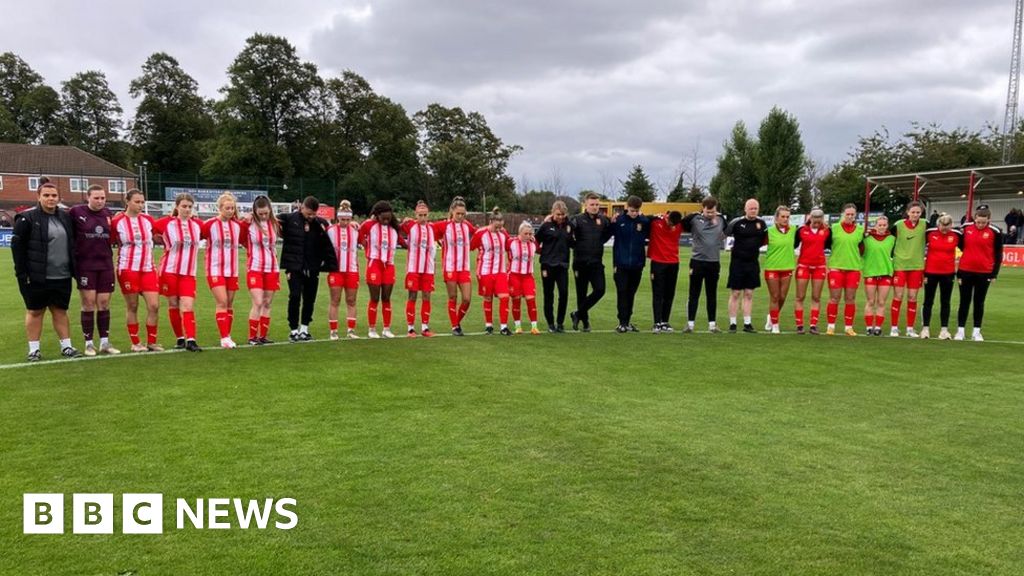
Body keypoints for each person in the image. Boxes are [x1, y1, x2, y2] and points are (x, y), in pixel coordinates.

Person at [12, 179, 80, 361]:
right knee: (35, 311)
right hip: (36, 276)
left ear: (59, 198)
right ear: (38, 197)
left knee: (60, 311)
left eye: (54, 195)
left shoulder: (65, 217)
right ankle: (34, 350)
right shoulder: (26, 218)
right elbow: (17, 249)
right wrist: (22, 274)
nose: (51, 198)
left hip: (62, 275)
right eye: (46, 195)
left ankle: (66, 346)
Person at [278, 196, 336, 342]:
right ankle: (293, 330)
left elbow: (329, 240)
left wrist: (328, 265)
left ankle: (304, 329)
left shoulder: (320, 224)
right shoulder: (288, 219)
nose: (311, 216)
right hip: (294, 266)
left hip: (312, 267)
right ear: (302, 208)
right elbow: (269, 218)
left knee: (310, 299)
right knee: (295, 296)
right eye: (309, 213)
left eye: (313, 214)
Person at [70, 184, 118, 355]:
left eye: (102, 198)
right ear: (88, 197)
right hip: (85, 266)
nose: (100, 201)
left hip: (105, 265)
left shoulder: (108, 214)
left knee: (104, 304)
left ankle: (105, 343)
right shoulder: (76, 212)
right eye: (96, 198)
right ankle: (89, 343)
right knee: (88, 303)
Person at [111, 189, 162, 352]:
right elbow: (109, 241)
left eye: (142, 202)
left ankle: (152, 342)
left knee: (154, 306)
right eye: (137, 202)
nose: (140, 205)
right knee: (132, 306)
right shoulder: (117, 222)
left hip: (148, 269)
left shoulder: (148, 220)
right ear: (127, 201)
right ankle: (135, 342)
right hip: (128, 269)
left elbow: (158, 234)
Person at [153, 193, 203, 352]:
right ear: (177, 207)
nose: (187, 209)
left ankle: (191, 340)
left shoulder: (198, 225)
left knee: (187, 305)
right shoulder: (166, 223)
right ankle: (180, 338)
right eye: (184, 206)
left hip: (189, 272)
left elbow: (216, 225)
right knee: (173, 304)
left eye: (190, 207)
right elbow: (148, 228)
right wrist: (158, 239)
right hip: (170, 270)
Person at [955, 206, 1003, 341]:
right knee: (964, 301)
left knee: (979, 302)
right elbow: (960, 246)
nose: (981, 224)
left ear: (989, 220)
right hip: (965, 271)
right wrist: (959, 273)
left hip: (984, 272)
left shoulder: (995, 232)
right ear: (974, 219)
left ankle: (976, 331)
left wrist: (994, 274)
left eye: (984, 222)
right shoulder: (966, 228)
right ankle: (960, 331)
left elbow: (998, 254)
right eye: (978, 222)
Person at [201, 192, 243, 349]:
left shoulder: (237, 226)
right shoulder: (210, 224)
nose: (230, 211)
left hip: (232, 270)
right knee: (222, 302)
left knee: (229, 304)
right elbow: (196, 236)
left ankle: (227, 335)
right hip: (215, 269)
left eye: (232, 208)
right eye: (227, 208)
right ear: (219, 208)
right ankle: (224, 337)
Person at [569, 192, 613, 332]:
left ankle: (577, 314)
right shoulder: (577, 219)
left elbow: (607, 234)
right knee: (581, 294)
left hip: (596, 262)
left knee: (600, 290)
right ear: (585, 205)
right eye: (592, 204)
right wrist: (577, 246)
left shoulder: (603, 220)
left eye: (597, 204)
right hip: (580, 263)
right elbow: (568, 235)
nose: (595, 207)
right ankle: (585, 323)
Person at [432, 196, 476, 336]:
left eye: (463, 214)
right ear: (452, 211)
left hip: (464, 268)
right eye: (458, 214)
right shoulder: (443, 226)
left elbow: (479, 233)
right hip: (450, 267)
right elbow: (426, 228)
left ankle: (456, 322)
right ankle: (455, 327)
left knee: (467, 299)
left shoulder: (467, 226)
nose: (460, 216)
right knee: (453, 297)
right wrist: (410, 222)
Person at [682, 197, 727, 333]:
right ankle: (690, 324)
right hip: (697, 262)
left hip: (713, 262)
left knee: (711, 294)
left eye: (713, 212)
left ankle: (712, 325)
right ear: (703, 209)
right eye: (708, 212)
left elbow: (727, 231)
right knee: (694, 293)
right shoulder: (695, 219)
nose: (710, 214)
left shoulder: (721, 220)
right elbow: (682, 223)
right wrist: (695, 214)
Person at [359, 200, 401, 338]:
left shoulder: (394, 228)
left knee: (386, 298)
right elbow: (359, 235)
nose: (386, 221)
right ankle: (372, 329)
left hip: (389, 265)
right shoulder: (369, 225)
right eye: (383, 218)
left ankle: (386, 329)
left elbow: (403, 241)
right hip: (375, 264)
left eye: (388, 218)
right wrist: (366, 247)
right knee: (375, 298)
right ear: (377, 215)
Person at [242, 195, 280, 346]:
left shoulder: (275, 223)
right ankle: (252, 337)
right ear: (255, 211)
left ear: (270, 210)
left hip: (272, 268)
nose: (264, 216)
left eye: (266, 213)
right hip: (255, 268)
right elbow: (240, 236)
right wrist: (244, 221)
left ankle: (263, 336)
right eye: (260, 213)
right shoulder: (249, 223)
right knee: (257, 302)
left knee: (267, 302)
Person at [725, 198, 767, 333]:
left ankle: (747, 323)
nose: (753, 211)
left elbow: (764, 240)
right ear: (745, 209)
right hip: (737, 263)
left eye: (756, 208)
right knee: (736, 293)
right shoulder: (736, 223)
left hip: (753, 263)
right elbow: (725, 234)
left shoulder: (761, 223)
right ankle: (732, 323)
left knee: (749, 293)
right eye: (751, 208)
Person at [610, 196, 650, 332]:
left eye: (637, 211)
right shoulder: (619, 220)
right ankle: (621, 322)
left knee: (631, 293)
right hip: (621, 264)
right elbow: (607, 231)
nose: (634, 213)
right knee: (622, 292)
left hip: (637, 264)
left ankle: (627, 322)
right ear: (627, 207)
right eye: (632, 211)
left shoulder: (644, 221)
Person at [889, 201, 927, 338]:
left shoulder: (925, 224)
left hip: (916, 266)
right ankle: (894, 328)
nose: (915, 215)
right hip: (900, 265)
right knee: (898, 296)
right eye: (913, 212)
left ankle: (910, 329)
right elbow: (888, 239)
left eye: (918, 212)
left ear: (921, 213)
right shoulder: (898, 225)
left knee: (912, 297)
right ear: (907, 212)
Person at [472, 208, 512, 335]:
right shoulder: (481, 233)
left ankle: (504, 327)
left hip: (500, 271)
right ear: (491, 221)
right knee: (488, 298)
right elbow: (471, 246)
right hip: (485, 271)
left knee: (504, 297)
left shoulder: (503, 233)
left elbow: (509, 246)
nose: (499, 225)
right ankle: (488, 325)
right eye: (497, 222)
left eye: (501, 221)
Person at [825, 203, 864, 336]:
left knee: (850, 298)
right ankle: (831, 326)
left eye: (852, 214)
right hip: (836, 268)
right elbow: (825, 244)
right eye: (847, 214)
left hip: (853, 269)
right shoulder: (834, 228)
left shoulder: (860, 230)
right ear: (843, 214)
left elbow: (863, 249)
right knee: (834, 298)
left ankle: (848, 327)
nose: (850, 216)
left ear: (855, 215)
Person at [920, 213, 960, 340]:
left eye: (947, 226)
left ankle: (944, 330)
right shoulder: (930, 233)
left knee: (945, 301)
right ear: (938, 224)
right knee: (928, 301)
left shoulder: (956, 235)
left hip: (948, 273)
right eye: (943, 226)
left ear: (951, 225)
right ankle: (925, 328)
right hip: (930, 272)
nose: (945, 229)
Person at [401, 201, 437, 338]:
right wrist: (404, 244)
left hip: (428, 269)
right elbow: (395, 228)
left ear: (428, 215)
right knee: (412, 296)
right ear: (415, 215)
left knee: (427, 296)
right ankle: (410, 328)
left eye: (425, 215)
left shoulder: (432, 228)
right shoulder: (410, 225)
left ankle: (425, 327)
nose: (423, 218)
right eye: (420, 215)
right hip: (413, 268)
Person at [326, 200, 360, 340]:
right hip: (336, 271)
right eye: (342, 219)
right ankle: (333, 331)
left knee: (351, 300)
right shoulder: (330, 231)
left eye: (348, 219)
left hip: (352, 270)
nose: (345, 222)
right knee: (335, 300)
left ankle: (351, 330)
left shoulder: (356, 231)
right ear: (338, 218)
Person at [793, 209, 830, 335]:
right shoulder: (801, 230)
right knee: (800, 296)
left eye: (819, 218)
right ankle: (799, 325)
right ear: (810, 217)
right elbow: (793, 245)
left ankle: (813, 325)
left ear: (822, 219)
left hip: (819, 267)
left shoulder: (827, 231)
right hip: (804, 266)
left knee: (816, 297)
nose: (817, 220)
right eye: (815, 217)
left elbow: (830, 245)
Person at [537, 201, 572, 333]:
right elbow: (535, 240)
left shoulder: (569, 225)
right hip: (547, 265)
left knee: (564, 293)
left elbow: (572, 241)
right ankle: (551, 323)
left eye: (563, 214)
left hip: (562, 265)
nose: (560, 217)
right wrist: (542, 252)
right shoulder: (546, 226)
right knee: (548, 294)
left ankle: (560, 323)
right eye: (558, 214)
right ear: (552, 213)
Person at [762, 206, 797, 334]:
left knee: (782, 297)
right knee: (775, 296)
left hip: (787, 267)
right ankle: (775, 325)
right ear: (776, 217)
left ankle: (771, 316)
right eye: (783, 216)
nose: (785, 219)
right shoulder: (769, 231)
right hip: (772, 267)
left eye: (787, 217)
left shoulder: (794, 230)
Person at [649, 211, 684, 332]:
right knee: (658, 293)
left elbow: (693, 217)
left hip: (673, 262)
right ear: (667, 218)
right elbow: (643, 218)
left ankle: (665, 321)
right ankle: (657, 322)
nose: (672, 226)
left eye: (674, 225)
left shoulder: (679, 224)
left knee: (669, 293)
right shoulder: (656, 222)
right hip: (658, 262)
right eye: (670, 223)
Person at [862, 215, 895, 336]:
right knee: (870, 301)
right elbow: (859, 251)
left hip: (885, 273)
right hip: (870, 273)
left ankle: (878, 327)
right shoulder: (867, 238)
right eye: (880, 225)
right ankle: (869, 327)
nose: (882, 227)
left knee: (881, 302)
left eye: (884, 225)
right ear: (875, 225)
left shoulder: (892, 239)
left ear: (887, 226)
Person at [508, 220, 541, 335]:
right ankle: (518, 326)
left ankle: (534, 327)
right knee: (516, 300)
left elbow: (542, 251)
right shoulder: (511, 242)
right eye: (525, 233)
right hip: (514, 275)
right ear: (520, 233)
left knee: (531, 300)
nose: (528, 236)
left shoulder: (533, 243)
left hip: (528, 276)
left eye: (530, 233)